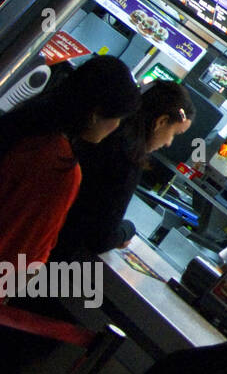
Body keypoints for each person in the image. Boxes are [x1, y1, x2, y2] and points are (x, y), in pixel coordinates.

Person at [0, 55, 139, 271]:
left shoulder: (25, 122)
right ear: (96, 114)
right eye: (118, 118)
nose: (117, 126)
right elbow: (29, 249)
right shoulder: (61, 167)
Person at [54, 81, 193, 257]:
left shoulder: (101, 129)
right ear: (162, 121)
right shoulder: (127, 161)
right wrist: (127, 230)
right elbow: (100, 238)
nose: (168, 142)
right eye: (174, 133)